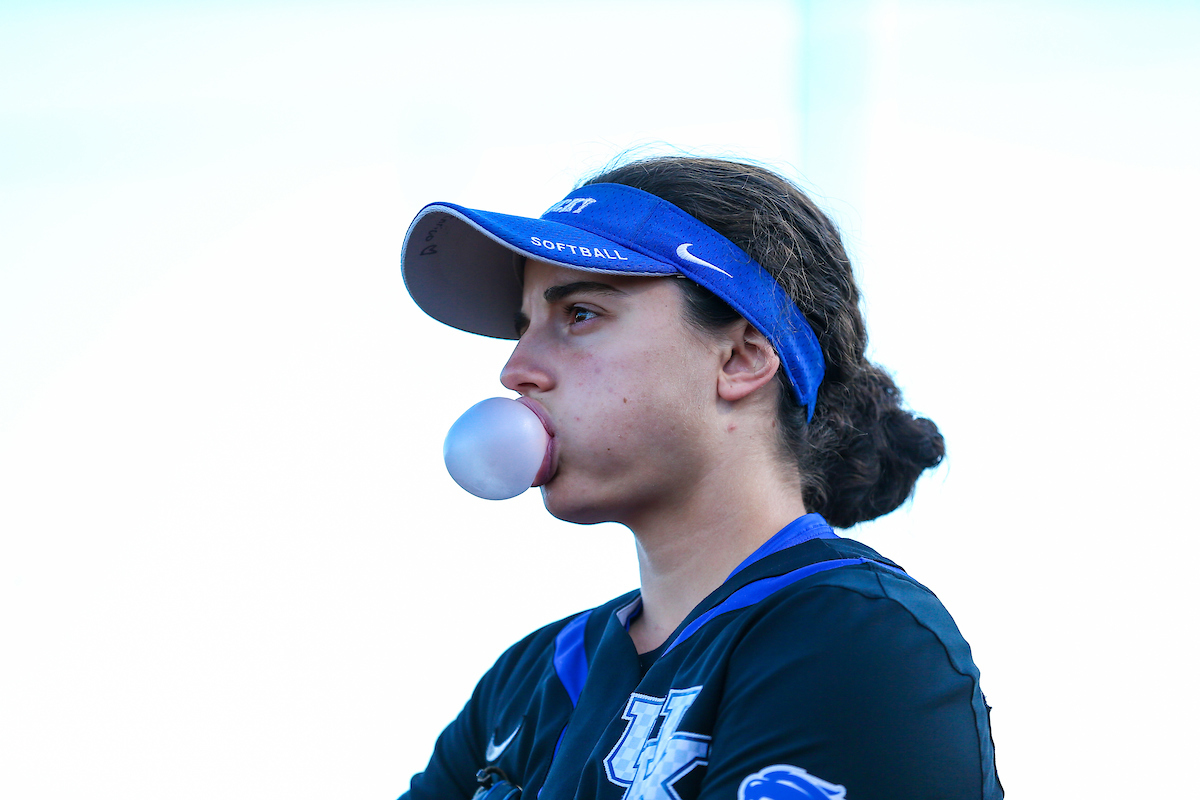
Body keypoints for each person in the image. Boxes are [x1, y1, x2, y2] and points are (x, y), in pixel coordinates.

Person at [398, 155, 1002, 800]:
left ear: (740, 359)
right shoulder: (526, 681)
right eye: (523, 328)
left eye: (579, 314)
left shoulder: (855, 638)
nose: (516, 369)